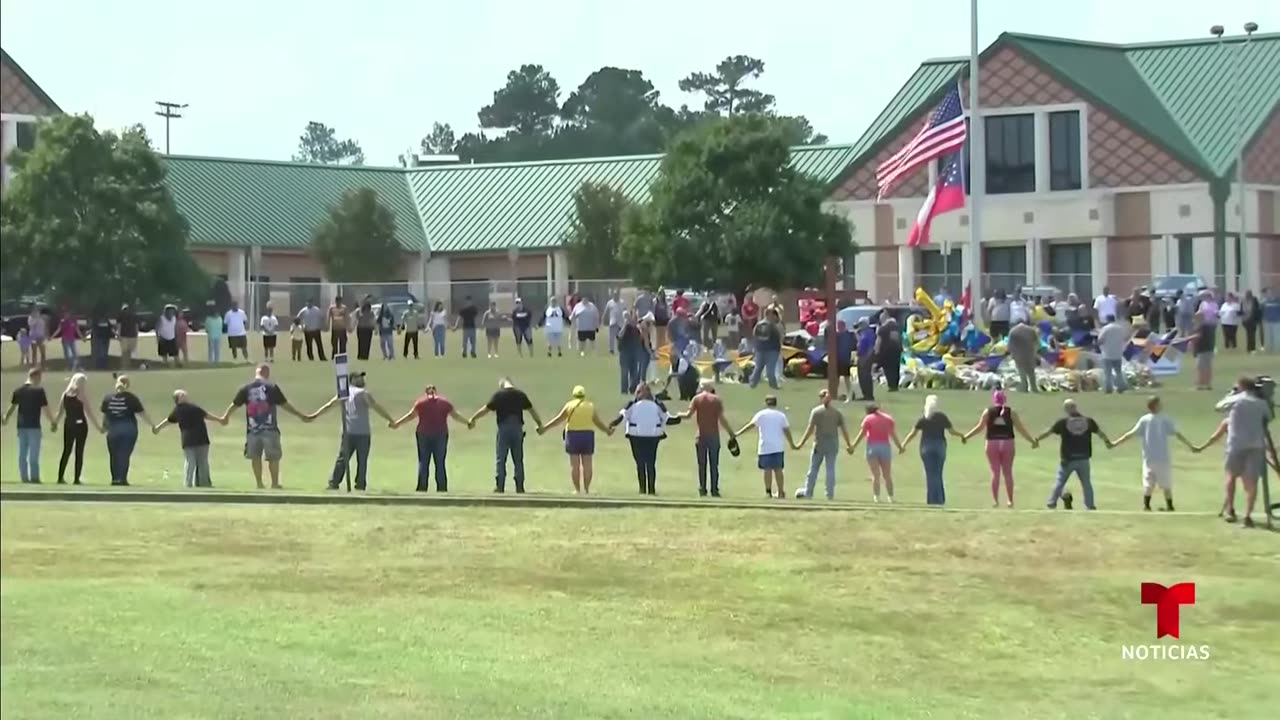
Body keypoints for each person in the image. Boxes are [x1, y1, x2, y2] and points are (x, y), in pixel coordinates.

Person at [1197, 377, 1278, 527]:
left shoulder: (1236, 399)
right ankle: (1248, 515)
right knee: (1251, 481)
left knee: (1231, 476)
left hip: (1236, 443)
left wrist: (1230, 395)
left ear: (1241, 386)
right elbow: (1269, 416)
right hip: (1256, 444)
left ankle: (1230, 510)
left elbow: (1218, 407)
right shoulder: (1260, 402)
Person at [222, 364, 312, 489]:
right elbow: (285, 405)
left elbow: (235, 404)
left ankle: (259, 483)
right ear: (267, 373)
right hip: (270, 428)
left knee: (255, 457)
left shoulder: (246, 388)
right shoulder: (272, 387)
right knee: (273, 457)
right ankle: (274, 483)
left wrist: (226, 417)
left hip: (252, 430)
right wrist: (300, 415)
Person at [308, 371, 395, 491]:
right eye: (359, 378)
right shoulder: (363, 393)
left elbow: (329, 405)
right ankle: (359, 484)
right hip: (362, 432)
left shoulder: (344, 393)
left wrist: (315, 415)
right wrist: (391, 419)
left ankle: (334, 482)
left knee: (343, 458)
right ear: (353, 379)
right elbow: (376, 407)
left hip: (349, 431)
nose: (362, 380)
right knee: (361, 460)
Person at [1109, 395, 1198, 512]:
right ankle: (1170, 506)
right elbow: (1177, 434)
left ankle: (1146, 505)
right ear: (1156, 405)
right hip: (1163, 457)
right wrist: (1190, 446)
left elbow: (1130, 434)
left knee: (1148, 482)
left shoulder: (1144, 419)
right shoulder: (1164, 419)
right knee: (1166, 483)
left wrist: (1115, 443)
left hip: (1149, 457)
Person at [962, 390, 1038, 508]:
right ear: (1005, 399)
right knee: (1008, 472)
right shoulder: (1011, 412)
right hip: (1008, 442)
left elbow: (980, 427)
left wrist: (966, 436)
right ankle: (1010, 500)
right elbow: (1021, 429)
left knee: (995, 472)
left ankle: (995, 501)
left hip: (992, 442)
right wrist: (1032, 441)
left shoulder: (988, 411)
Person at [1035, 398, 1113, 511]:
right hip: (1084, 458)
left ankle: (1051, 503)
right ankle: (1090, 505)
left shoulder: (1063, 422)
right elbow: (1100, 433)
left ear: (1066, 409)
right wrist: (1107, 442)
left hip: (1068, 458)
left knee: (1060, 481)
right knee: (1086, 483)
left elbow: (1049, 432)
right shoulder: (1088, 421)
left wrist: (1037, 439)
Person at [392, 383, 473, 492]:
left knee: (423, 461)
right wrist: (467, 422)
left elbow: (410, 416)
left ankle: (422, 487)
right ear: (435, 391)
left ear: (426, 393)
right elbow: (455, 416)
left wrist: (397, 423)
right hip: (440, 434)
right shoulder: (445, 403)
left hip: (423, 434)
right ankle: (442, 488)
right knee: (440, 462)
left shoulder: (421, 403)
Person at [469, 378, 544, 493]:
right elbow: (532, 410)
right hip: (517, 428)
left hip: (504, 429)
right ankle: (519, 486)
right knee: (518, 459)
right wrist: (539, 424)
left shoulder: (499, 395)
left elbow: (486, 409)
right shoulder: (520, 395)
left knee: (501, 459)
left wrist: (473, 418)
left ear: (502, 385)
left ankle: (500, 486)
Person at [538, 385, 614, 494]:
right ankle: (587, 489)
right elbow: (598, 422)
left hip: (572, 435)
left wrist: (544, 428)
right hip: (587, 435)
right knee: (587, 464)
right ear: (584, 394)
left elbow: (558, 420)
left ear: (574, 395)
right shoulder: (590, 406)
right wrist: (607, 431)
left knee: (575, 465)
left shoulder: (569, 405)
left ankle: (577, 490)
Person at [899, 394, 966, 506]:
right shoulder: (942, 417)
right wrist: (962, 436)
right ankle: (940, 499)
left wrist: (903, 444)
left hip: (926, 446)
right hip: (940, 446)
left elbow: (913, 434)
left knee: (930, 474)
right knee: (938, 473)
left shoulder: (923, 419)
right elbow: (952, 431)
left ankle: (932, 500)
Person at [154, 389, 227, 488]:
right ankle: (193, 483)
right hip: (191, 439)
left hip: (200, 438)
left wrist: (219, 420)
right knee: (193, 462)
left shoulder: (190, 408)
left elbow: (205, 415)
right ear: (178, 399)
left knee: (201, 462)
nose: (185, 395)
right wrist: (158, 427)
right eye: (182, 394)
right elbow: (169, 420)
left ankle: (200, 483)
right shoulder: (180, 410)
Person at [609, 382, 670, 495]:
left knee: (641, 463)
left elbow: (622, 416)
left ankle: (644, 489)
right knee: (650, 463)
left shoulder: (632, 404)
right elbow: (667, 418)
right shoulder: (657, 404)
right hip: (652, 436)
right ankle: (649, 489)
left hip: (637, 436)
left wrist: (613, 424)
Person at [792, 388, 853, 500]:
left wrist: (801, 443)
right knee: (830, 469)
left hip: (819, 443)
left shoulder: (816, 411)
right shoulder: (836, 413)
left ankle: (809, 492)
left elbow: (810, 429)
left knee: (813, 469)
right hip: (833, 443)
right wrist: (849, 444)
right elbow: (844, 430)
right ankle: (829, 494)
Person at [680, 380, 736, 497]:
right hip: (714, 435)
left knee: (702, 464)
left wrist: (676, 416)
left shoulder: (697, 399)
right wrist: (731, 433)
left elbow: (688, 415)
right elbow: (722, 419)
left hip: (701, 435)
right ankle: (714, 489)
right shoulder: (716, 400)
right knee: (714, 465)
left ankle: (702, 489)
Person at [735, 395, 795, 499]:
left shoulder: (761, 414)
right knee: (778, 469)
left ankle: (768, 492)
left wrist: (738, 433)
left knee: (767, 470)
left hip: (765, 446)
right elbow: (786, 431)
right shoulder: (781, 415)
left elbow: (750, 425)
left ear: (766, 403)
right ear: (775, 403)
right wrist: (792, 444)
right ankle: (781, 492)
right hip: (778, 446)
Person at [2, 368, 56, 483]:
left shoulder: (18, 391)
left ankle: (24, 478)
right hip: (34, 426)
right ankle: (35, 477)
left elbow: (12, 407)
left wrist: (6, 418)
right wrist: (53, 422)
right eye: (39, 378)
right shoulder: (39, 391)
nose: (40, 380)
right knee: (34, 454)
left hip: (21, 426)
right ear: (35, 377)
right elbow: (45, 409)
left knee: (22, 453)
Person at [100, 375, 155, 486]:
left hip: (113, 429)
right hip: (128, 428)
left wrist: (103, 427)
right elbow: (142, 414)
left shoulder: (108, 398)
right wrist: (153, 425)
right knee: (124, 454)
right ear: (127, 385)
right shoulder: (131, 398)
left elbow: (105, 415)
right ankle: (122, 478)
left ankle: (115, 478)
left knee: (114, 454)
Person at [847, 403, 904, 502]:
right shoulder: (888, 419)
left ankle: (876, 497)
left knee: (875, 475)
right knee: (887, 474)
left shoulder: (868, 419)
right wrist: (900, 447)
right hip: (885, 447)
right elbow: (893, 434)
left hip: (872, 447)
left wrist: (853, 446)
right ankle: (891, 497)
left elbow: (862, 434)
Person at [51, 373, 101, 485]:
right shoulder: (81, 395)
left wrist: (54, 423)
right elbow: (89, 412)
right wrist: (98, 427)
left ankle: (60, 477)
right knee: (79, 452)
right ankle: (76, 479)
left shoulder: (65, 394)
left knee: (66, 450)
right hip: (81, 425)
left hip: (68, 424)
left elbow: (60, 412)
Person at [1097, 314, 1132, 394]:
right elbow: (1125, 338)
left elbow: (1100, 340)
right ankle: (1121, 387)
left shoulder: (1105, 329)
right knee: (1118, 372)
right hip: (1118, 353)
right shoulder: (1120, 328)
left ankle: (1108, 388)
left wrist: (1098, 344)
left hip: (1107, 353)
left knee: (1107, 373)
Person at [749, 308, 782, 390]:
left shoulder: (758, 324)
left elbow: (754, 336)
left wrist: (755, 347)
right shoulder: (774, 325)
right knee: (770, 369)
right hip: (772, 350)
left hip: (761, 350)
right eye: (773, 315)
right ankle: (773, 385)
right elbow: (779, 337)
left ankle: (753, 384)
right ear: (769, 314)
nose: (775, 317)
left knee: (758, 368)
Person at [1192, 291, 1218, 390]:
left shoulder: (1202, 327)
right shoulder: (1202, 304)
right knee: (1206, 366)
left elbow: (1197, 338)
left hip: (1203, 349)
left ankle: (1201, 384)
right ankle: (1207, 384)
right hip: (1208, 347)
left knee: (1201, 366)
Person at [1006, 320, 1041, 393]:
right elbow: (1037, 342)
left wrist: (1012, 354)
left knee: (1021, 370)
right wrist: (1035, 352)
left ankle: (1024, 386)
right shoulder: (1031, 330)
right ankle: (1034, 388)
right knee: (1031, 371)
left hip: (1018, 353)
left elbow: (1009, 345)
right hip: (1029, 352)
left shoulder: (1013, 331)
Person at [616, 311, 646, 394]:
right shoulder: (622, 327)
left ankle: (633, 389)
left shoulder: (636, 328)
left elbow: (641, 338)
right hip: (624, 352)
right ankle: (624, 390)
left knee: (634, 372)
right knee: (624, 372)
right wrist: (625, 325)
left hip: (634, 352)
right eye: (626, 317)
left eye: (629, 317)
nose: (628, 319)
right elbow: (619, 335)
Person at [875, 313, 904, 392]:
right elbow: (900, 338)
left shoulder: (882, 328)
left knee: (888, 369)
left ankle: (891, 385)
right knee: (896, 368)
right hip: (897, 350)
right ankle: (895, 385)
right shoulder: (898, 326)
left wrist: (876, 351)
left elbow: (879, 341)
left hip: (886, 351)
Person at [854, 317, 877, 402]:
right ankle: (865, 394)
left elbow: (870, 347)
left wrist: (866, 358)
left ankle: (869, 395)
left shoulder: (869, 333)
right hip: (861, 355)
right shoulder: (863, 333)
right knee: (861, 376)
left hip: (865, 356)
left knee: (865, 376)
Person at [117, 303, 140, 367]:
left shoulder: (120, 315)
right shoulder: (134, 315)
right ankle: (127, 365)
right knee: (129, 352)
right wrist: (136, 334)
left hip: (124, 335)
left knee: (124, 352)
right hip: (132, 336)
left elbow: (119, 326)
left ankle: (125, 365)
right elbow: (137, 326)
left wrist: (118, 335)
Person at [604, 291, 626, 355]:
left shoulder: (622, 302)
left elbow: (625, 310)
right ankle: (611, 350)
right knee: (611, 337)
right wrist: (604, 319)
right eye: (614, 294)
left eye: (617, 294)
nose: (616, 296)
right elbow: (606, 311)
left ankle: (620, 349)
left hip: (620, 322)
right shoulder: (610, 303)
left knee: (620, 337)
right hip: (612, 322)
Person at [1262, 288, 1280, 354]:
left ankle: (1277, 351)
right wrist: (1264, 319)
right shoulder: (1265, 302)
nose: (1267, 294)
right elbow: (1264, 312)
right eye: (1266, 293)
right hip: (1267, 322)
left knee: (1276, 337)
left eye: (1269, 292)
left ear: (1271, 293)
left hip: (1276, 322)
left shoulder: (1278, 300)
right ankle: (1269, 351)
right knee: (1268, 337)